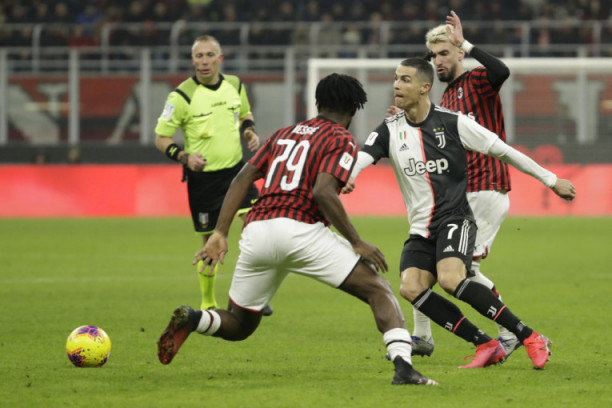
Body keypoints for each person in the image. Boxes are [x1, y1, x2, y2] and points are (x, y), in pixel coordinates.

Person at [156, 73, 438, 386]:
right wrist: (357, 242)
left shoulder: (282, 134)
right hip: (301, 232)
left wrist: (220, 233)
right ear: (353, 110)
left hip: (258, 231)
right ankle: (404, 368)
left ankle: (194, 318)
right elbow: (322, 192)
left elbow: (242, 178)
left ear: (317, 103)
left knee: (239, 323)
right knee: (378, 289)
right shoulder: (340, 138)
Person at [347, 57, 575, 369]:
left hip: (455, 218)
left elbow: (504, 150)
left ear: (424, 87)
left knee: (450, 279)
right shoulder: (389, 129)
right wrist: (349, 176)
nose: (396, 85)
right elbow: (363, 156)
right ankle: (485, 344)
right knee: (411, 288)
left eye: (405, 80)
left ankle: (530, 336)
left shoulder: (452, 122)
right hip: (420, 228)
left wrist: (551, 180)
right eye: (396, 78)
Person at [389, 10, 521, 358]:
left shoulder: (478, 81)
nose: (438, 61)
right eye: (434, 55)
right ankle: (422, 335)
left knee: (461, 271)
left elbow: (502, 72)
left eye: (445, 53)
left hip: (485, 187)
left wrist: (467, 43)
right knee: (426, 264)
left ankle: (511, 332)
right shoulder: (444, 99)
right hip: (456, 195)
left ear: (460, 53)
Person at [154, 35, 272, 315]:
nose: (204, 61)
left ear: (220, 59)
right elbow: (161, 138)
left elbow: (245, 114)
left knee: (259, 229)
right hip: (203, 181)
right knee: (210, 244)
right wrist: (184, 157)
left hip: (237, 174)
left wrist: (249, 132)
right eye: (199, 56)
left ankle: (253, 296)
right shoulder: (181, 96)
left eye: (210, 55)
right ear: (192, 60)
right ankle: (208, 302)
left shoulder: (235, 85)